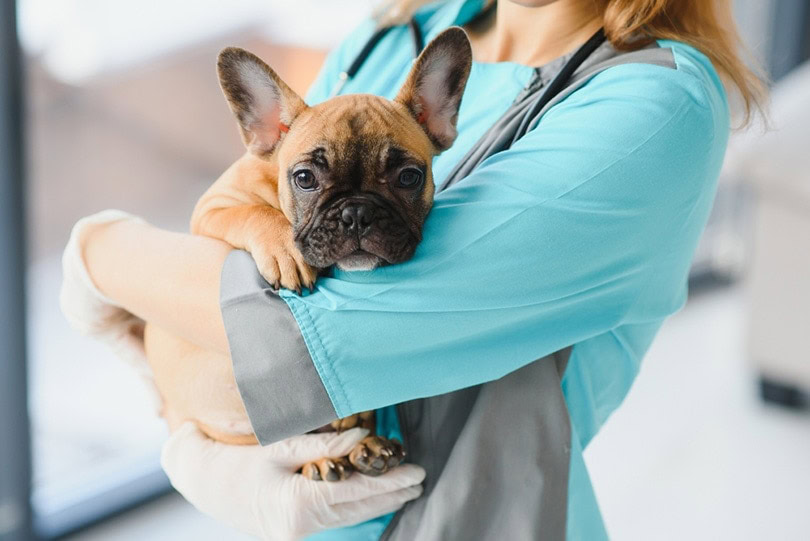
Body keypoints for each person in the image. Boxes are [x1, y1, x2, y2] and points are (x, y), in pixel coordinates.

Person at [62, 0, 764, 539]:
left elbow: (292, 337)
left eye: (402, 176)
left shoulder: (651, 102)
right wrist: (189, 434)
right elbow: (231, 213)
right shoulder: (397, 34)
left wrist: (103, 253)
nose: (358, 216)